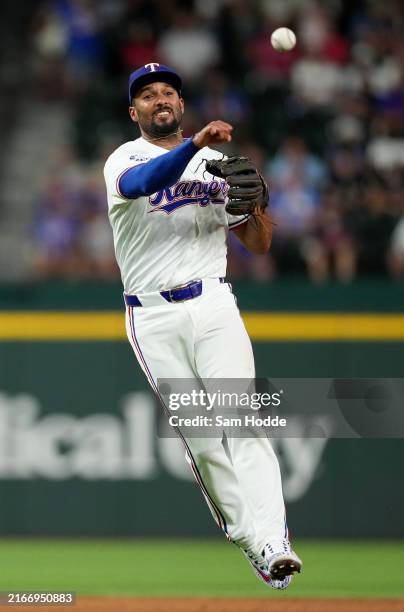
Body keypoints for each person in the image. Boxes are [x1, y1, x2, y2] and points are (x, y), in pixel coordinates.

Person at [103, 63, 302, 589]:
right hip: (153, 315)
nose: (159, 98)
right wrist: (194, 146)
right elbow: (148, 181)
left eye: (168, 91)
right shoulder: (126, 158)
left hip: (214, 303)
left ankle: (275, 540)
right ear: (134, 112)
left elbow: (257, 245)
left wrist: (259, 204)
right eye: (148, 95)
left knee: (245, 422)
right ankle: (249, 540)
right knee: (204, 438)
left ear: (181, 104)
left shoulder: (216, 163)